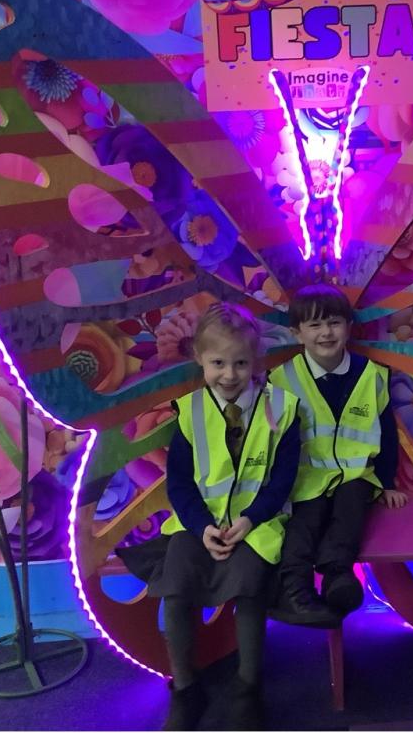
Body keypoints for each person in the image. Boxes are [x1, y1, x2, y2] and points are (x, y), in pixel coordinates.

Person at [116, 302, 300, 730]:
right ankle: (186, 687)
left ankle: (248, 687)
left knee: (251, 587)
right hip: (198, 525)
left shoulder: (282, 408)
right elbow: (179, 483)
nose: (230, 374)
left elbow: (282, 479)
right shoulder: (190, 411)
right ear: (199, 359)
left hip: (257, 524)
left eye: (240, 363)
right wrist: (202, 528)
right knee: (177, 586)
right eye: (218, 363)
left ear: (255, 360)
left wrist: (250, 520)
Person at [268, 284, 406, 627]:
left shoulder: (372, 375)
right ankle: (295, 589)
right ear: (297, 333)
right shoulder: (281, 380)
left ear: (348, 326)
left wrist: (387, 482)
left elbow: (387, 433)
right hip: (306, 477)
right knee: (304, 523)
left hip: (356, 474)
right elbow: (272, 439)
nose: (326, 333)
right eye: (314, 325)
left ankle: (337, 576)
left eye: (334, 322)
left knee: (349, 514)